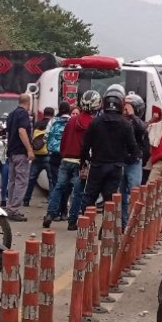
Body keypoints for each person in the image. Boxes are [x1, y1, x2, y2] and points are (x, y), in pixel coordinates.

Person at [80, 87, 138, 211]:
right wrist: (125, 160)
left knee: (90, 196)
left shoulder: (95, 122)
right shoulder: (126, 124)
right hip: (115, 166)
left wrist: (84, 161)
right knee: (110, 200)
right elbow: (133, 149)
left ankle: (84, 221)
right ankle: (107, 223)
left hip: (97, 164)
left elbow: (85, 145)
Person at [48, 92, 97, 230]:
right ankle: (72, 221)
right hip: (81, 161)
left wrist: (63, 154)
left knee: (59, 187)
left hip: (66, 158)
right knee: (78, 193)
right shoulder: (93, 122)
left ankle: (50, 214)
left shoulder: (71, 120)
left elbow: (64, 139)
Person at [119, 90, 149, 227]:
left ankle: (134, 223)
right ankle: (123, 222)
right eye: (124, 108)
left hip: (134, 162)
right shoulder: (118, 121)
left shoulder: (138, 123)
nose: (125, 111)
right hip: (119, 162)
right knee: (120, 195)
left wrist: (132, 115)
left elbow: (143, 129)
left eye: (128, 108)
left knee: (134, 192)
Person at [4, 93, 35, 222]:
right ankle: (14, 209)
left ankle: (9, 207)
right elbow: (22, 131)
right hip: (21, 152)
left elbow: (8, 133)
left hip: (12, 152)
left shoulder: (11, 114)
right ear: (29, 103)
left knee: (12, 181)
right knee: (21, 181)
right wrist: (29, 150)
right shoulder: (23, 114)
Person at [43, 102, 72, 218]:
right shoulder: (73, 121)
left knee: (56, 184)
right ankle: (64, 211)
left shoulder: (53, 121)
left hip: (55, 156)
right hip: (68, 155)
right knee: (67, 184)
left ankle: (54, 212)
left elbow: (45, 138)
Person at [23, 107, 54, 207]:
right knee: (51, 179)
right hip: (48, 155)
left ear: (44, 114)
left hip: (36, 155)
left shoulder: (37, 124)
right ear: (52, 114)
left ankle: (26, 200)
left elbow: (32, 137)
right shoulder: (52, 124)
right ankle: (51, 200)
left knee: (31, 179)